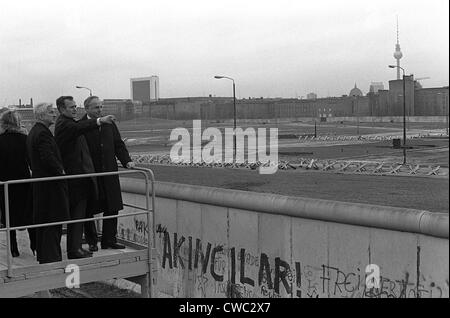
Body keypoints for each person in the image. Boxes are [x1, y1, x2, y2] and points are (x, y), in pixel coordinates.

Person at [54, 96, 115, 259]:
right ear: (61, 109)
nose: (75, 109)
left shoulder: (68, 123)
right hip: (75, 179)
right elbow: (80, 128)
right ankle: (74, 250)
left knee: (79, 215)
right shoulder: (65, 124)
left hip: (79, 178)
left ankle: (76, 248)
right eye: (71, 107)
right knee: (77, 215)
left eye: (75, 106)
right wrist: (100, 121)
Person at [82, 96, 135, 251]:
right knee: (89, 207)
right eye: (96, 107)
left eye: (100, 107)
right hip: (91, 172)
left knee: (112, 205)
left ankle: (109, 240)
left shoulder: (109, 124)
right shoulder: (82, 125)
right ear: (87, 109)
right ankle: (92, 241)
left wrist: (126, 161)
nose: (99, 110)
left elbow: (118, 144)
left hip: (110, 171)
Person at [26, 103, 70, 264]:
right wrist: (61, 172)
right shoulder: (42, 133)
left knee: (46, 224)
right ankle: (51, 260)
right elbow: (47, 157)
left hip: (41, 185)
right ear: (42, 115)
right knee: (52, 223)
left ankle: (47, 258)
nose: (54, 115)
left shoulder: (35, 132)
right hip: (50, 187)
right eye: (51, 112)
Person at [0, 109, 36, 257]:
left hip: (5, 182)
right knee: (28, 213)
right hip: (23, 180)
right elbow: (31, 161)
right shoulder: (25, 139)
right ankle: (35, 245)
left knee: (9, 215)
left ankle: (13, 249)